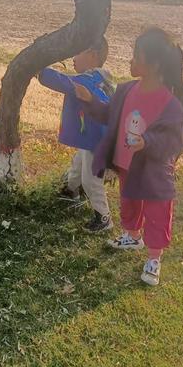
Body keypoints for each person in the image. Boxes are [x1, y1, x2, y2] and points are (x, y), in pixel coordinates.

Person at [75, 27, 183, 285]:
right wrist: (90, 99)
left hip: (154, 172)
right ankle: (132, 235)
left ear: (155, 64)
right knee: (130, 201)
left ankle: (154, 259)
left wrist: (146, 141)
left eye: (137, 56)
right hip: (127, 165)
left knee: (157, 211)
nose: (131, 60)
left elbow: (172, 141)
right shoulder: (126, 90)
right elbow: (108, 114)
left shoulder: (171, 104)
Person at [38, 37, 116, 232]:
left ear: (92, 55)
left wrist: (39, 69)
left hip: (96, 142)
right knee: (78, 164)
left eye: (77, 52)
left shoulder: (88, 81)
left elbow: (62, 81)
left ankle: (103, 217)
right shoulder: (102, 80)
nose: (73, 57)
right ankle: (71, 190)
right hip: (94, 138)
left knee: (91, 180)